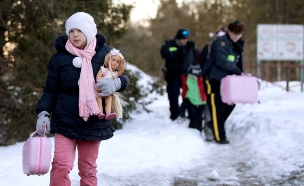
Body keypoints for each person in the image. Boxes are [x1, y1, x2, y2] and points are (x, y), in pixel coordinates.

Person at [35, 12, 129, 185]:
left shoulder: (107, 54)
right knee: (60, 166)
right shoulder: (59, 58)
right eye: (71, 31)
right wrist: (43, 113)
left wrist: (115, 84)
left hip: (94, 121)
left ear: (89, 31)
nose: (75, 34)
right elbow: (50, 90)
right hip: (65, 119)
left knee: (88, 169)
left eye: (79, 30)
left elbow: (124, 77)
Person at [202, 20, 245, 144]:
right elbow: (222, 61)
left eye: (239, 35)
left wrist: (240, 73)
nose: (236, 37)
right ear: (229, 31)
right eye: (234, 34)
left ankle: (212, 124)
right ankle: (220, 136)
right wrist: (236, 70)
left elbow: (237, 62)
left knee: (230, 104)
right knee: (217, 108)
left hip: (229, 81)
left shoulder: (236, 44)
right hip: (215, 78)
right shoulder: (220, 43)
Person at [160, 28, 200, 126]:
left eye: (186, 38)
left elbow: (199, 56)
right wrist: (178, 51)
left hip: (187, 75)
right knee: (173, 95)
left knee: (190, 95)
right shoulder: (170, 44)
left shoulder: (190, 46)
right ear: (178, 38)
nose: (185, 40)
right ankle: (175, 115)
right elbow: (164, 53)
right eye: (182, 39)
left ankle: (192, 117)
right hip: (173, 75)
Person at [199, 28, 226, 141]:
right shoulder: (210, 47)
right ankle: (211, 132)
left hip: (221, 81)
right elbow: (203, 62)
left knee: (217, 107)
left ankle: (215, 131)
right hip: (211, 81)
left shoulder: (214, 47)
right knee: (211, 106)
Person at [96, 48, 125, 120]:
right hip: (99, 89)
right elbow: (98, 77)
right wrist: (99, 85)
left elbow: (121, 72)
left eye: (118, 62)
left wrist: (122, 64)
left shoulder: (114, 74)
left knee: (108, 102)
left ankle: (108, 113)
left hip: (108, 91)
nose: (115, 63)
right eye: (113, 60)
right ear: (108, 60)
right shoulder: (103, 69)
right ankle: (100, 113)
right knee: (99, 101)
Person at [179, 62, 207, 134]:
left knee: (199, 117)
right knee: (182, 106)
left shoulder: (201, 78)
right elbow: (185, 88)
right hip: (190, 98)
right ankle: (182, 117)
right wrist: (184, 96)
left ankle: (199, 131)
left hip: (199, 101)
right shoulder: (186, 78)